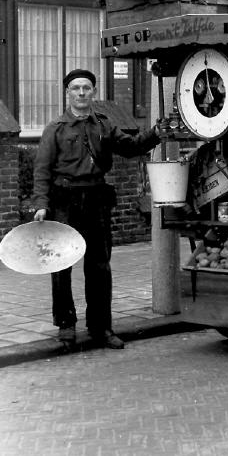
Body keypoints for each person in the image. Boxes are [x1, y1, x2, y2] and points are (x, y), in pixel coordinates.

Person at [32, 69, 164, 349]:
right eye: (76, 88)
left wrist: (157, 132)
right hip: (64, 201)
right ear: (67, 93)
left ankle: (101, 327)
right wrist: (42, 205)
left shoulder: (104, 125)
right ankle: (66, 326)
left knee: (100, 266)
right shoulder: (54, 128)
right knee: (62, 266)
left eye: (87, 88)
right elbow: (42, 170)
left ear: (93, 92)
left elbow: (130, 147)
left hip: (96, 199)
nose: (81, 93)